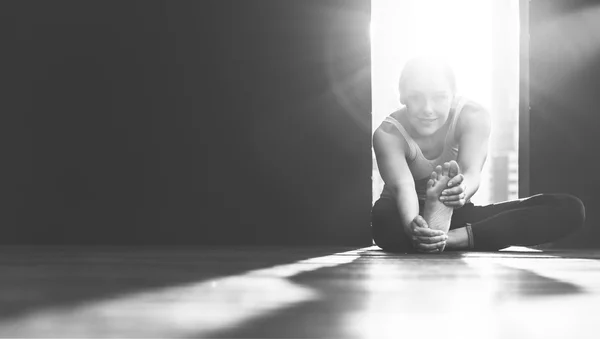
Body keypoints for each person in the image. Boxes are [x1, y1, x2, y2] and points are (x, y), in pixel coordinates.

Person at [371, 56, 585, 253]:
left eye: (439, 97)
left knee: (570, 209)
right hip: (401, 213)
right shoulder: (388, 133)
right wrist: (413, 226)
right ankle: (441, 237)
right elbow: (403, 187)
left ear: (453, 94)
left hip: (456, 212)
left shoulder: (473, 116)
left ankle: (447, 237)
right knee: (383, 225)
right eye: (416, 97)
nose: (428, 108)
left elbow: (470, 172)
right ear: (402, 95)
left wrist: (458, 192)